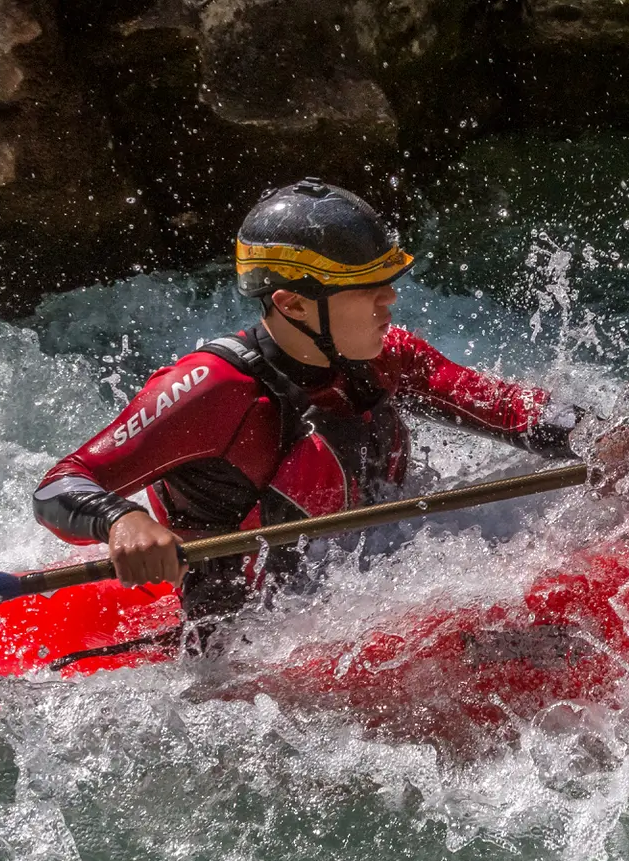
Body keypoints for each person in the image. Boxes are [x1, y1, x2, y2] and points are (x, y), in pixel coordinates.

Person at [32, 179, 584, 624]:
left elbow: (510, 408)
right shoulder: (211, 390)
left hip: (363, 593)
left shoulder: (386, 356)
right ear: (293, 304)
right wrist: (121, 521)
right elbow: (62, 483)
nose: (390, 299)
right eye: (367, 286)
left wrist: (607, 435)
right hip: (243, 644)